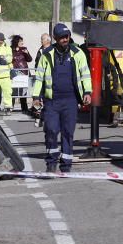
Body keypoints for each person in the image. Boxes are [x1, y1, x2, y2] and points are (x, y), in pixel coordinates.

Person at [32, 23, 92, 173]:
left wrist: (87, 92)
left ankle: (66, 165)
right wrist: (36, 96)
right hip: (52, 101)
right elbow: (39, 78)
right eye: (62, 37)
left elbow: (85, 75)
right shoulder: (46, 55)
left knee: (68, 132)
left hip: (70, 100)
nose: (65, 39)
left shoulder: (78, 53)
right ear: (55, 38)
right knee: (51, 130)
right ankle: (51, 162)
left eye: (67, 36)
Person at [11, 35, 33, 114]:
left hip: (24, 72)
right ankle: (11, 106)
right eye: (20, 41)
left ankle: (24, 107)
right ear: (16, 42)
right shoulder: (11, 49)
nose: (22, 43)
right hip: (15, 72)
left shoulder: (24, 49)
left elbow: (30, 59)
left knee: (23, 91)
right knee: (13, 89)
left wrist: (27, 53)